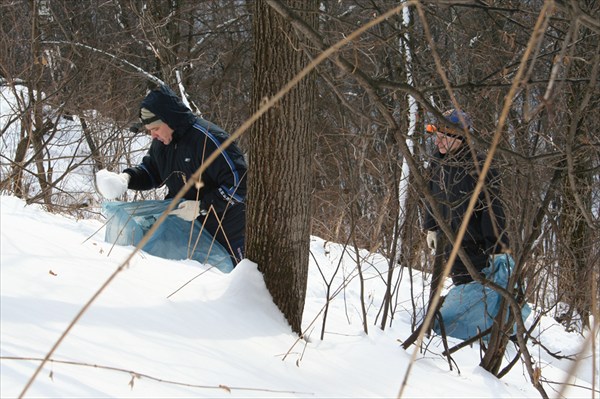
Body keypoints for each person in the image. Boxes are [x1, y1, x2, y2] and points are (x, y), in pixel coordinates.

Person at [96, 84, 247, 264]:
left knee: (227, 283)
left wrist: (202, 206)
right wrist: (126, 179)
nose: (153, 136)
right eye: (149, 131)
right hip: (186, 228)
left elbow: (240, 183)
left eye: (156, 129)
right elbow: (152, 172)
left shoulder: (208, 139)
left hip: (225, 232)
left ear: (170, 120)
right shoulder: (162, 143)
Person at [423, 109, 509, 286]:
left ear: (460, 138)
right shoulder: (437, 161)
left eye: (443, 137)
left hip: (476, 251)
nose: (437, 141)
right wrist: (431, 227)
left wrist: (497, 247)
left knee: (479, 299)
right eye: (436, 136)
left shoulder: (480, 166)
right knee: (462, 292)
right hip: (448, 245)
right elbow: (432, 195)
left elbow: (492, 209)